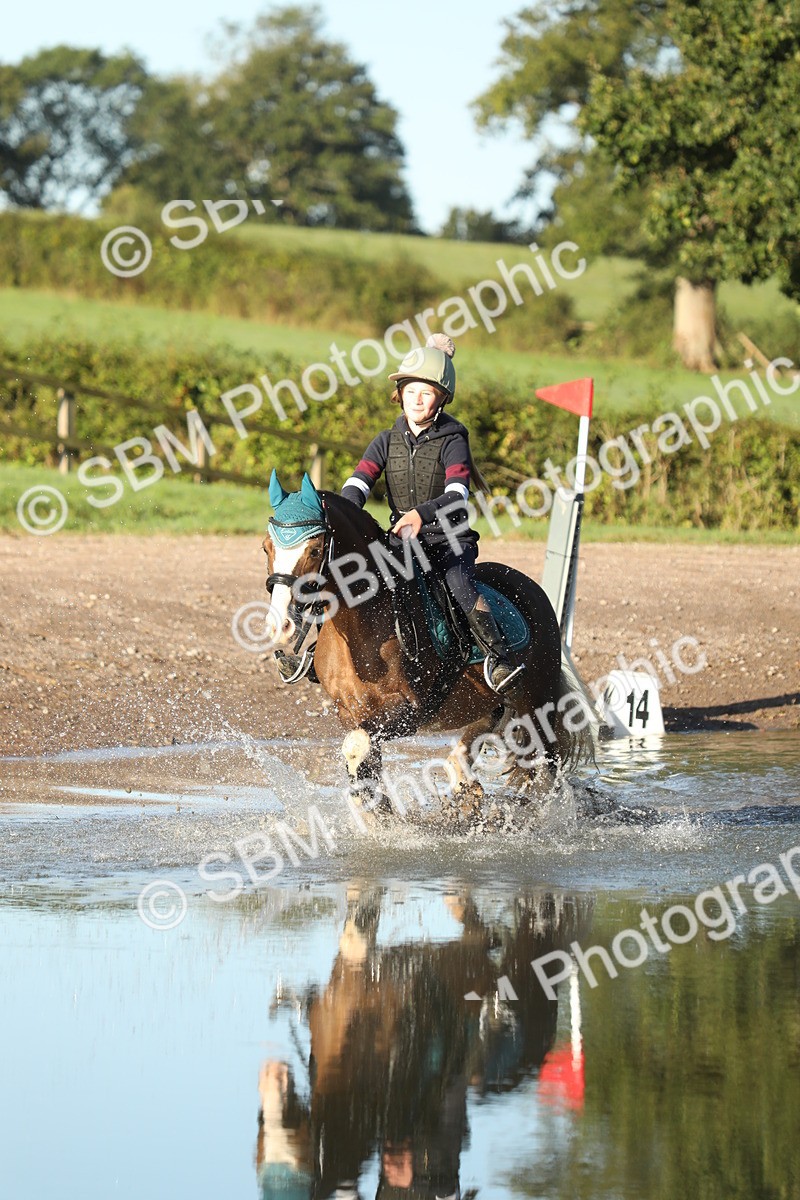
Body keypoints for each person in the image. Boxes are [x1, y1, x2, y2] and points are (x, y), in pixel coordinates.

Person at [340, 334, 523, 693]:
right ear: (399, 394)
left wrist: (420, 515)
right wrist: (343, 512)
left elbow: (457, 495)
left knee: (459, 585)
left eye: (426, 393)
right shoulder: (385, 440)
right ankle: (315, 652)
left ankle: (500, 659)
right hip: (402, 542)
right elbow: (359, 483)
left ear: (442, 398)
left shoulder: (454, 440)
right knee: (353, 577)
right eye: (410, 391)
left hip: (448, 542)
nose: (416, 400)